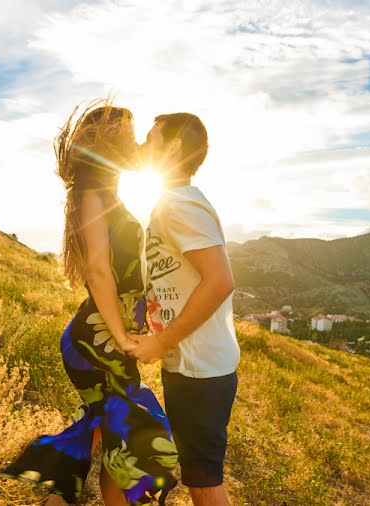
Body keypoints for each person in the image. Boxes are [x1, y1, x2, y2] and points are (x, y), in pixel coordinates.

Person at [0, 101, 179, 506]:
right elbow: (98, 271)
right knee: (140, 433)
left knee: (109, 429)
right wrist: (122, 336)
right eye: (129, 136)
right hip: (96, 340)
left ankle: (57, 498)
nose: (135, 143)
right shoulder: (92, 192)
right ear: (111, 141)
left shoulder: (107, 191)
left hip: (107, 337)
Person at [124, 113, 240, 506]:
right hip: (190, 365)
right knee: (196, 473)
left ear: (172, 147)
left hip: (201, 369)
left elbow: (221, 281)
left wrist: (162, 342)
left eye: (149, 137)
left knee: (203, 481)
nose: (141, 145)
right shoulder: (170, 203)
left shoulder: (180, 205)